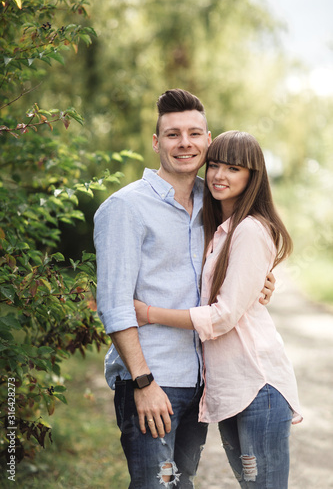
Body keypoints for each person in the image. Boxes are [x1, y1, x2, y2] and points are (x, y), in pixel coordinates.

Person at [93, 90, 275, 488]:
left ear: (208, 141)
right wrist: (143, 383)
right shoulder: (126, 208)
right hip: (153, 380)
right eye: (172, 134)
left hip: (200, 382)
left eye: (194, 133)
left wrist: (261, 281)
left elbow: (232, 265)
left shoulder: (212, 202)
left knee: (182, 483)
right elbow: (114, 304)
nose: (184, 143)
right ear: (156, 143)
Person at [134, 130, 303, 489]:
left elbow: (223, 315)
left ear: (252, 177)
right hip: (231, 388)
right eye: (215, 165)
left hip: (258, 385)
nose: (219, 176)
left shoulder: (250, 230)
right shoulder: (217, 229)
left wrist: (148, 313)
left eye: (234, 168)